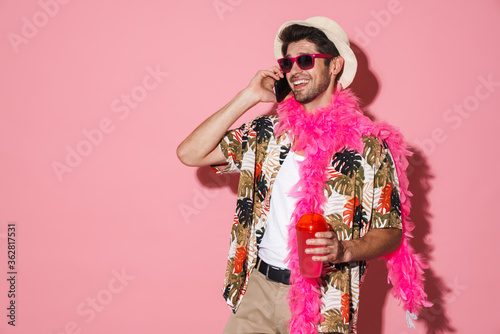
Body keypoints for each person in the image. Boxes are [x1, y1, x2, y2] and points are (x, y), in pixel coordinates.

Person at [177, 16, 429, 334]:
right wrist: (249, 95)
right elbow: (190, 153)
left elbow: (391, 232)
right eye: (287, 62)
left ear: (335, 65)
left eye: (305, 60)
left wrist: (344, 249)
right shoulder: (266, 132)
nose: (294, 70)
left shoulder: (369, 146)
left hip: (325, 301)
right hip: (257, 289)